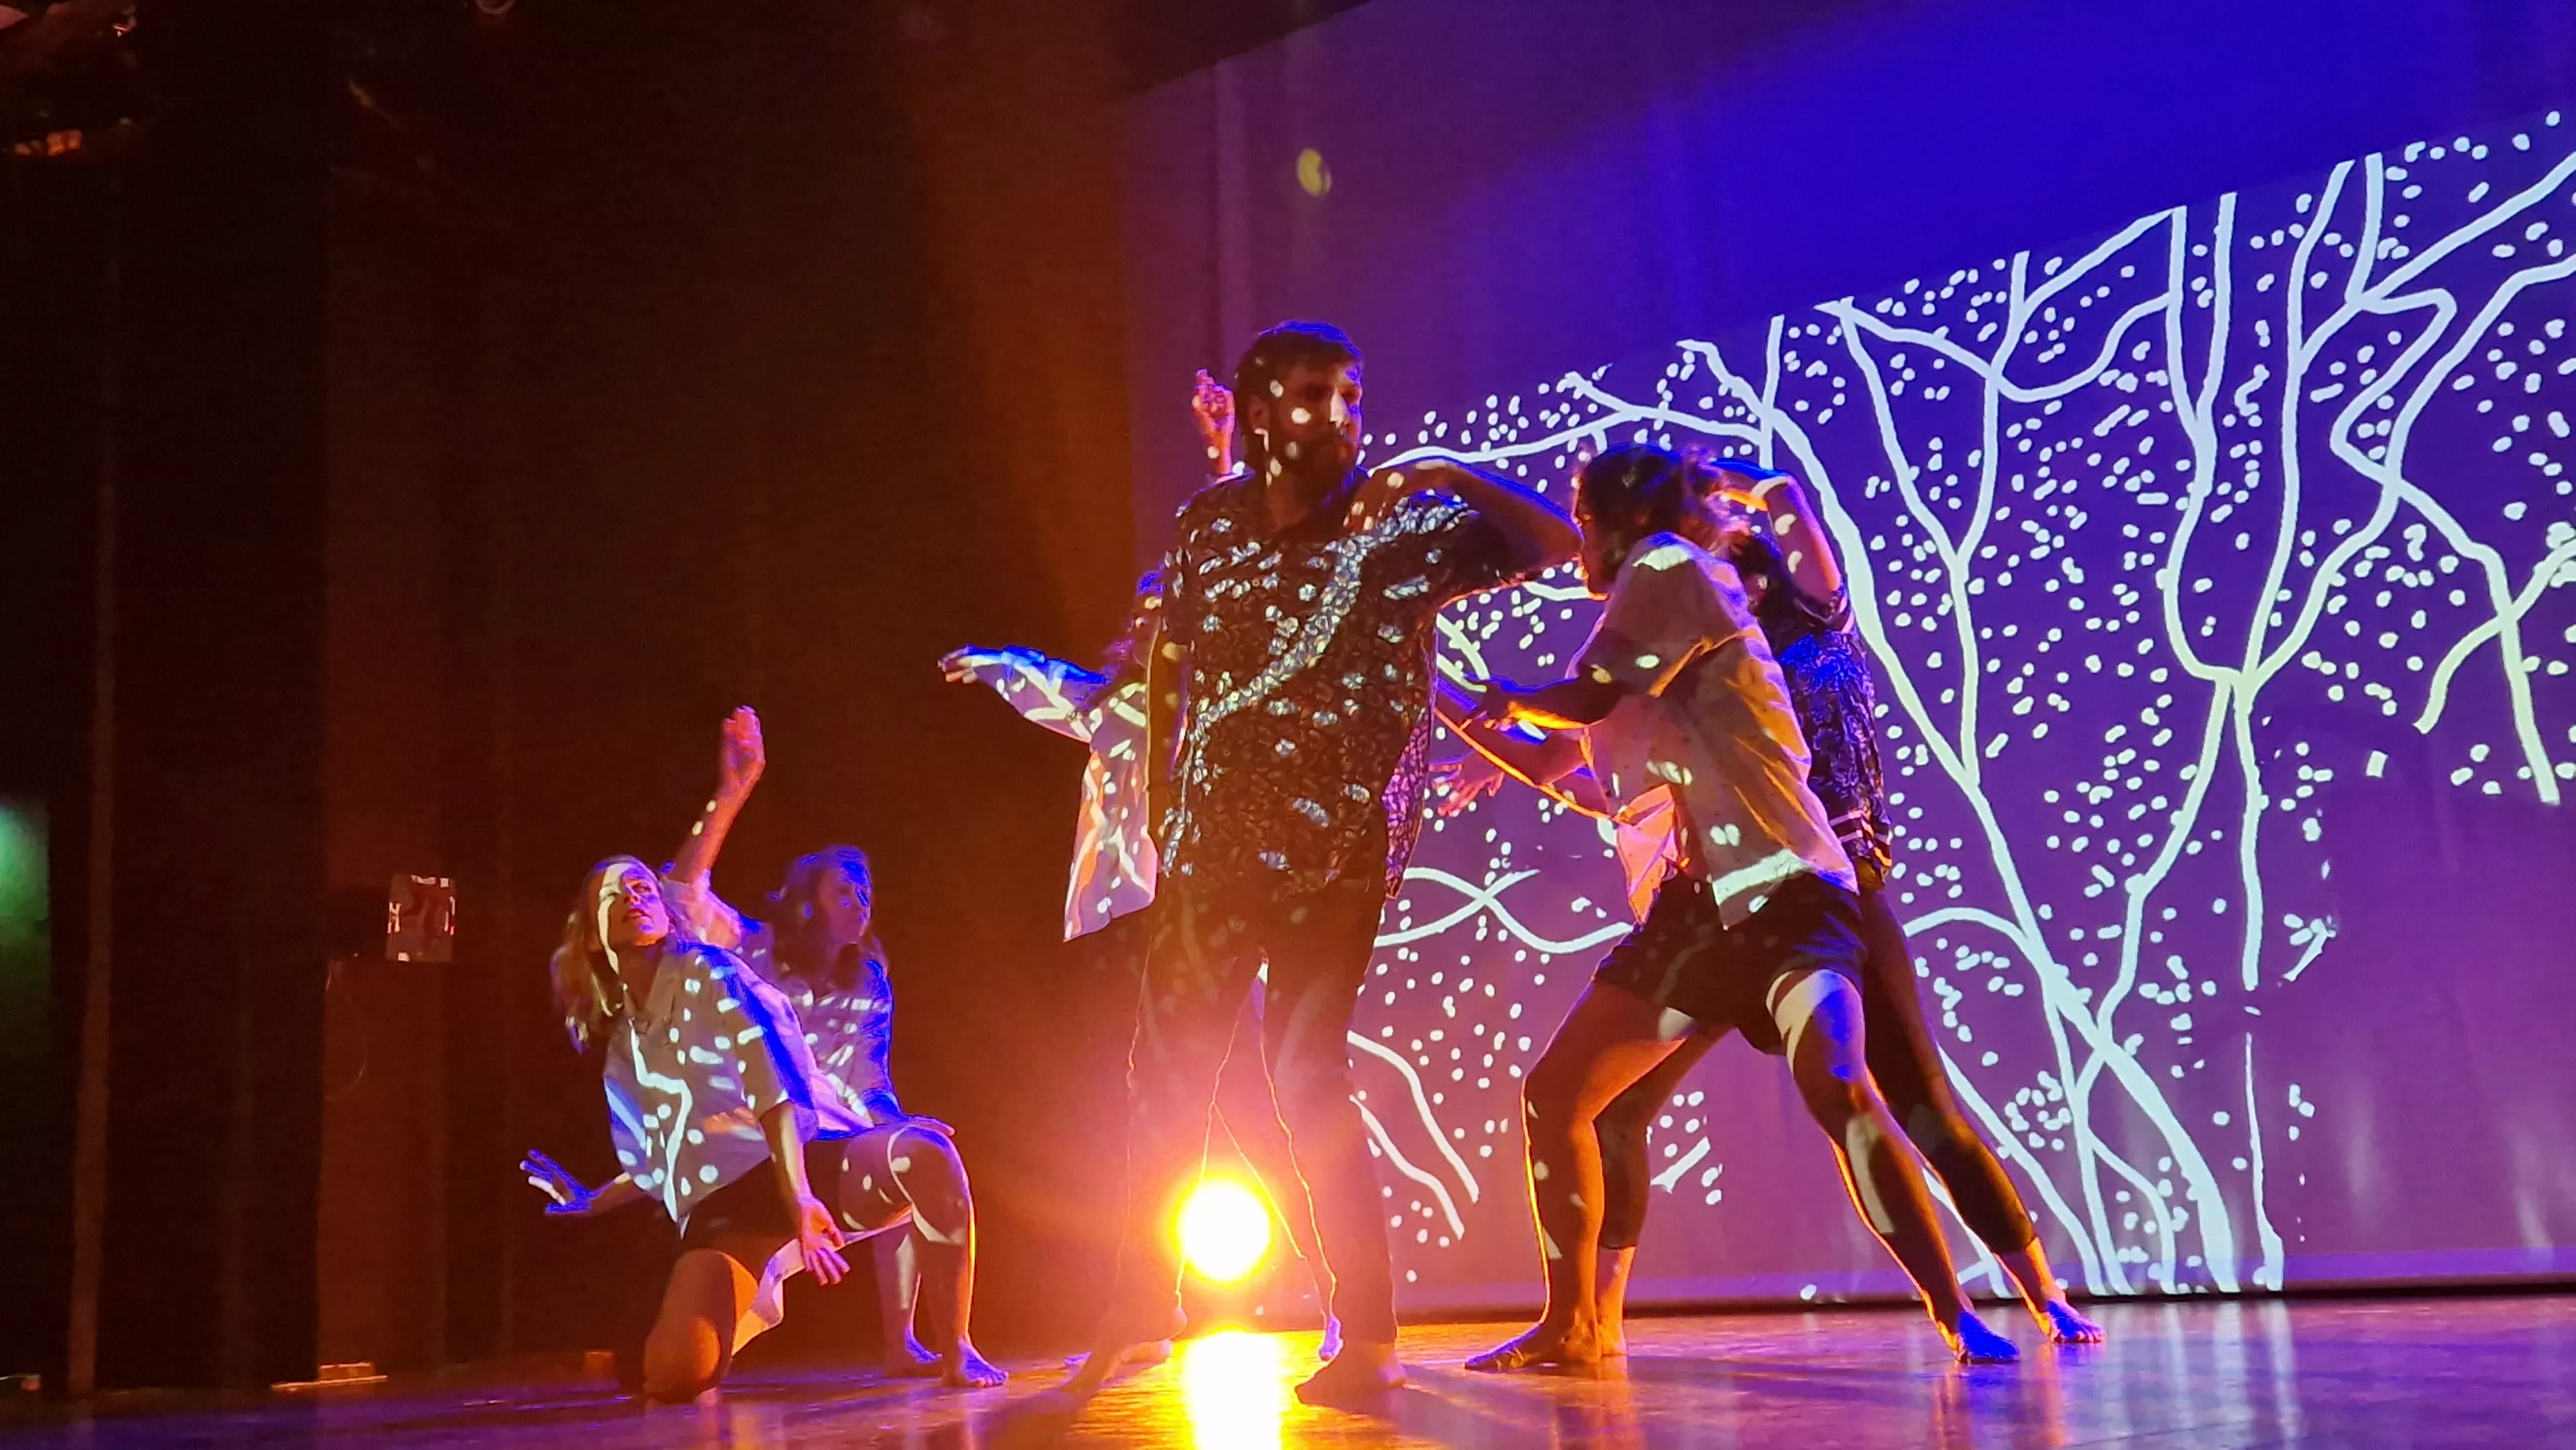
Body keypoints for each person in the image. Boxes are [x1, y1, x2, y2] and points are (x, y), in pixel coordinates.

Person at [1066, 319, 1578, 1402]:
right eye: (1312, 396)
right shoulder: (1207, 524)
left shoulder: (1401, 531)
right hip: (1214, 850)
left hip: (1338, 854)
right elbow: (1174, 661)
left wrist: (1443, 469)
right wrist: (1162, 804)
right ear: (1260, 412)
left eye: (1351, 394)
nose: (1339, 415)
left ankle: (1370, 1332)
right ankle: (1130, 1304)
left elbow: (1555, 548)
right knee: (1164, 1080)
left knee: (1307, 1077)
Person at [1454, 443, 2019, 1370]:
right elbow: (1572, 753)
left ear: (1616, 522)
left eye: (1583, 520)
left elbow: (1582, 697)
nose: (1578, 545)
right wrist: (1452, 697)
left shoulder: (1669, 570)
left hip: (1787, 892)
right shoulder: (1650, 617)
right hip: (1701, 911)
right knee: (1561, 1096)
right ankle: (1574, 1329)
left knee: (1840, 1082)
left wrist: (1510, 699)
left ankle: (1958, 1313)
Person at [1586, 458, 2105, 1349]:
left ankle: (2041, 1296)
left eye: (1744, 569)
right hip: (1737, 901)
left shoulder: (1819, 629)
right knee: (1617, 1106)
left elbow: (1787, 500)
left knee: (1915, 1104)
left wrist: (1717, 484)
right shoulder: (1695, 662)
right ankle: (1591, 1322)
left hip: (1837, 892)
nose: (1726, 581)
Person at [938, 604, 1346, 1363]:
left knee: (1257, 1115)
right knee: (1146, 1123)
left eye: (1181, 618)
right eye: (1151, 618)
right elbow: (1052, 686)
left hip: (1199, 926)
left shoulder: (1227, 711)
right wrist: (995, 659)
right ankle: (1149, 1305)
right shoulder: (1117, 705)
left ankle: (1336, 1296)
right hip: (1125, 934)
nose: (1163, 630)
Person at [660, 708, 1007, 1388]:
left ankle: (931, 1344)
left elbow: (868, 1078)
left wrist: (896, 1123)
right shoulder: (751, 947)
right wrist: (731, 792)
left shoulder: (870, 979)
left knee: (921, 1154)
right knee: (679, 1367)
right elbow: (680, 895)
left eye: (867, 891)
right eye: (844, 887)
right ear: (806, 902)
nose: (861, 900)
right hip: (754, 1169)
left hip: (829, 1157)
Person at [518, 858, 861, 1400]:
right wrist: (594, 1199)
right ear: (593, 933)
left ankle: (952, 1347)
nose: (633, 896)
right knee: (648, 1374)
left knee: (922, 1156)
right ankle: (740, 1304)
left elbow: (771, 1083)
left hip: (792, 1158)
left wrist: (795, 1194)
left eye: (643, 887)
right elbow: (666, 1156)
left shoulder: (708, 971)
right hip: (723, 1201)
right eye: (614, 895)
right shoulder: (626, 1041)